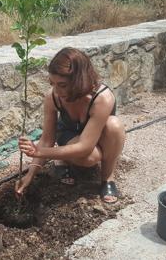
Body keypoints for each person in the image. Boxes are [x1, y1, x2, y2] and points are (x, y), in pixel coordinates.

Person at [15, 47, 125, 203]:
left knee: (114, 125)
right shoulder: (53, 97)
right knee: (90, 158)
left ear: (80, 80)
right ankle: (63, 160)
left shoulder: (102, 98)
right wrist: (30, 175)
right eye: (53, 84)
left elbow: (85, 146)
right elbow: (47, 140)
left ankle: (107, 178)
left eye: (62, 85)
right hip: (68, 134)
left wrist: (40, 152)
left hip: (94, 137)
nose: (56, 90)